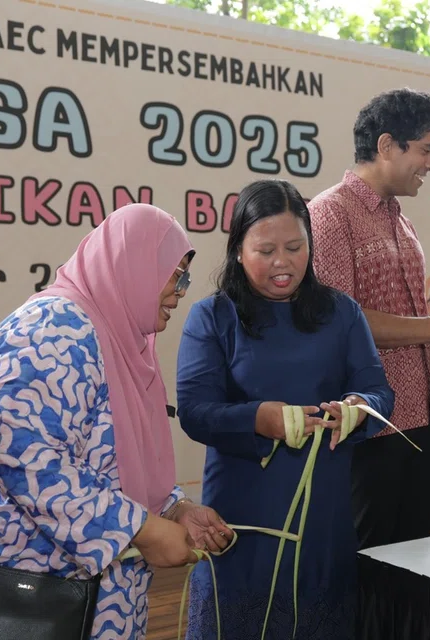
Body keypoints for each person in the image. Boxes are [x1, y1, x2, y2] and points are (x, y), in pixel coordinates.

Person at [0, 204, 233, 640]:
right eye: (173, 275)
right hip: (3, 583)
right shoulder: (55, 328)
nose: (181, 291)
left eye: (184, 278)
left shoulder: (123, 341)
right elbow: (24, 457)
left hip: (59, 587)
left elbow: (115, 455)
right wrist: (140, 528)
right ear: (135, 265)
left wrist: (173, 508)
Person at [176, 179, 395, 640]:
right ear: (238, 249)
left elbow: (378, 391)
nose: (283, 262)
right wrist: (259, 419)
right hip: (243, 513)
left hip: (324, 509)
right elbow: (196, 411)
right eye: (266, 249)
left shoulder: (342, 313)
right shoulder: (213, 316)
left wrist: (357, 408)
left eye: (295, 247)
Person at [308, 87, 430, 550]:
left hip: (424, 419)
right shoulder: (329, 215)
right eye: (426, 149)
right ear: (385, 146)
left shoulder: (402, 221)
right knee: (367, 568)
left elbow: (405, 314)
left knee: (413, 561)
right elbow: (343, 324)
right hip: (369, 425)